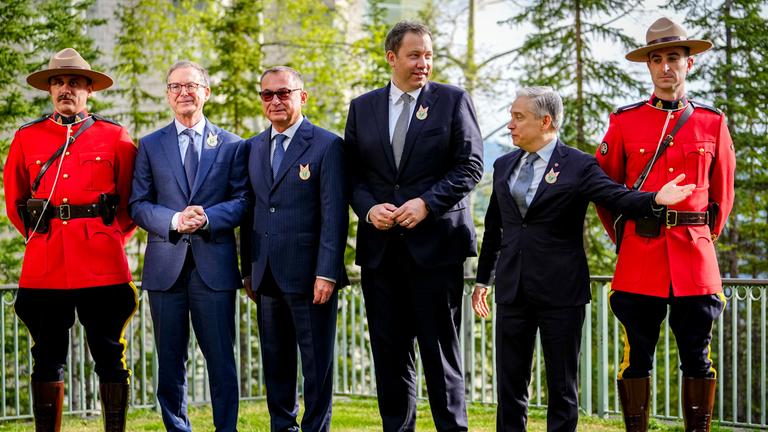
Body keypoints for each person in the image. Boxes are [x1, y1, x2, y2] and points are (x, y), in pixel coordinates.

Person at [471, 87, 695, 432]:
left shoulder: (579, 165)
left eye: (518, 117)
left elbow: (616, 196)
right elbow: (494, 230)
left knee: (562, 386)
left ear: (545, 121)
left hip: (561, 293)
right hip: (512, 290)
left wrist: (655, 199)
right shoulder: (502, 165)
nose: (509, 125)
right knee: (510, 385)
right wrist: (483, 281)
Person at [594, 17, 736, 432]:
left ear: (688, 63)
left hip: (695, 260)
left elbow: (721, 197)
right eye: (657, 59)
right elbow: (605, 192)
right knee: (637, 357)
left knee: (698, 356)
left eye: (673, 57)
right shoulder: (624, 122)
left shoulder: (712, 122)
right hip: (640, 258)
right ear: (649, 67)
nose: (665, 67)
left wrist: (701, 237)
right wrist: (627, 235)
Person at [344, 21, 483, 432]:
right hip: (380, 253)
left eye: (428, 55)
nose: (424, 63)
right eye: (414, 55)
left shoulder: (453, 101)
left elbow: (471, 165)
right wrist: (369, 210)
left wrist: (427, 204)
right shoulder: (362, 107)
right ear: (392, 57)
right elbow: (352, 175)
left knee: (441, 356)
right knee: (389, 356)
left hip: (436, 249)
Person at [3, 47, 138, 432]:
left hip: (102, 264)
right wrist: (42, 236)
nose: (66, 89)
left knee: (110, 355)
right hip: (46, 265)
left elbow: (129, 201)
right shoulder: (28, 138)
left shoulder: (114, 136)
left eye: (74, 83)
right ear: (49, 89)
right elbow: (15, 202)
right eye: (58, 82)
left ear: (89, 90)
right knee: (46, 356)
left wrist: (109, 235)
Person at [128, 61, 249, 432]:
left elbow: (243, 199)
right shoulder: (149, 145)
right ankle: (177, 428)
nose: (184, 92)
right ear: (168, 95)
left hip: (214, 269)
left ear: (206, 92)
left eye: (192, 85)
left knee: (221, 362)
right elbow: (138, 204)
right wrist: (175, 220)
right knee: (170, 361)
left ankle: (225, 428)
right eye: (176, 86)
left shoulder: (232, 145)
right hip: (166, 270)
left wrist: (208, 217)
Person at [240, 66, 347, 432]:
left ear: (302, 97)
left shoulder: (327, 145)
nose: (275, 101)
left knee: (317, 366)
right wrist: (247, 270)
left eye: (283, 93)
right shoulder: (252, 147)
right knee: (276, 363)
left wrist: (327, 271)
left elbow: (335, 215)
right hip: (266, 274)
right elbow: (249, 211)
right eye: (267, 94)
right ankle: (282, 427)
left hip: (311, 277)